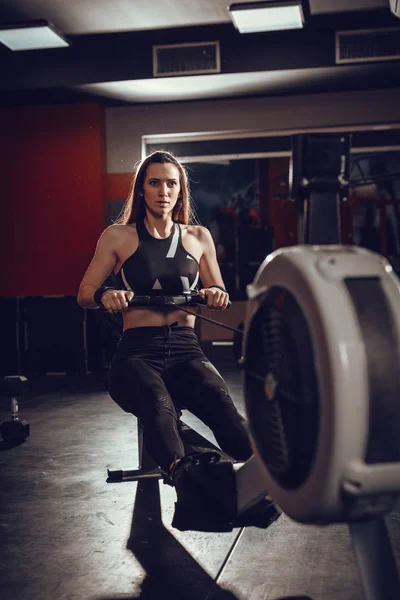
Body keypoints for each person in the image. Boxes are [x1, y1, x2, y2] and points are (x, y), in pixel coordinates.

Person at [77, 151, 254, 482]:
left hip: (187, 350)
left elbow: (218, 289)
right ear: (141, 189)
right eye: (154, 182)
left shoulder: (198, 237)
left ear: (180, 191)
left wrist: (217, 294)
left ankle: (263, 477)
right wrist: (106, 294)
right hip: (138, 353)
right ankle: (186, 479)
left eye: (171, 183)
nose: (163, 191)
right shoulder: (117, 236)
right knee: (160, 409)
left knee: (221, 404)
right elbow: (85, 293)